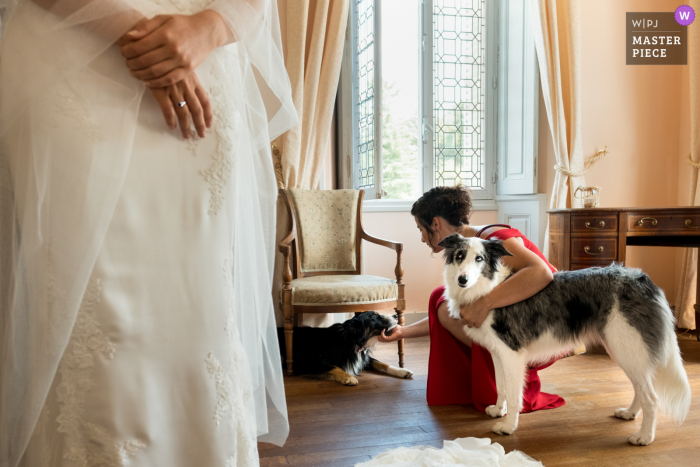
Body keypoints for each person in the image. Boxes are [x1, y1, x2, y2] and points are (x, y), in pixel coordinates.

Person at [0, 1, 297, 466]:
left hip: (205, 68)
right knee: (101, 309)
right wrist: (143, 38)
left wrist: (209, 28)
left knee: (199, 302)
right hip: (77, 53)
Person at [379, 186, 565, 412]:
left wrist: (483, 304)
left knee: (446, 299)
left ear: (436, 223)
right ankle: (486, 379)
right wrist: (403, 332)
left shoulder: (494, 239)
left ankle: (503, 385)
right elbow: (457, 312)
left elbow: (541, 272)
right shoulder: (466, 248)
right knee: (441, 297)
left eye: (421, 228)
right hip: (515, 322)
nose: (421, 238)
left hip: (548, 327)